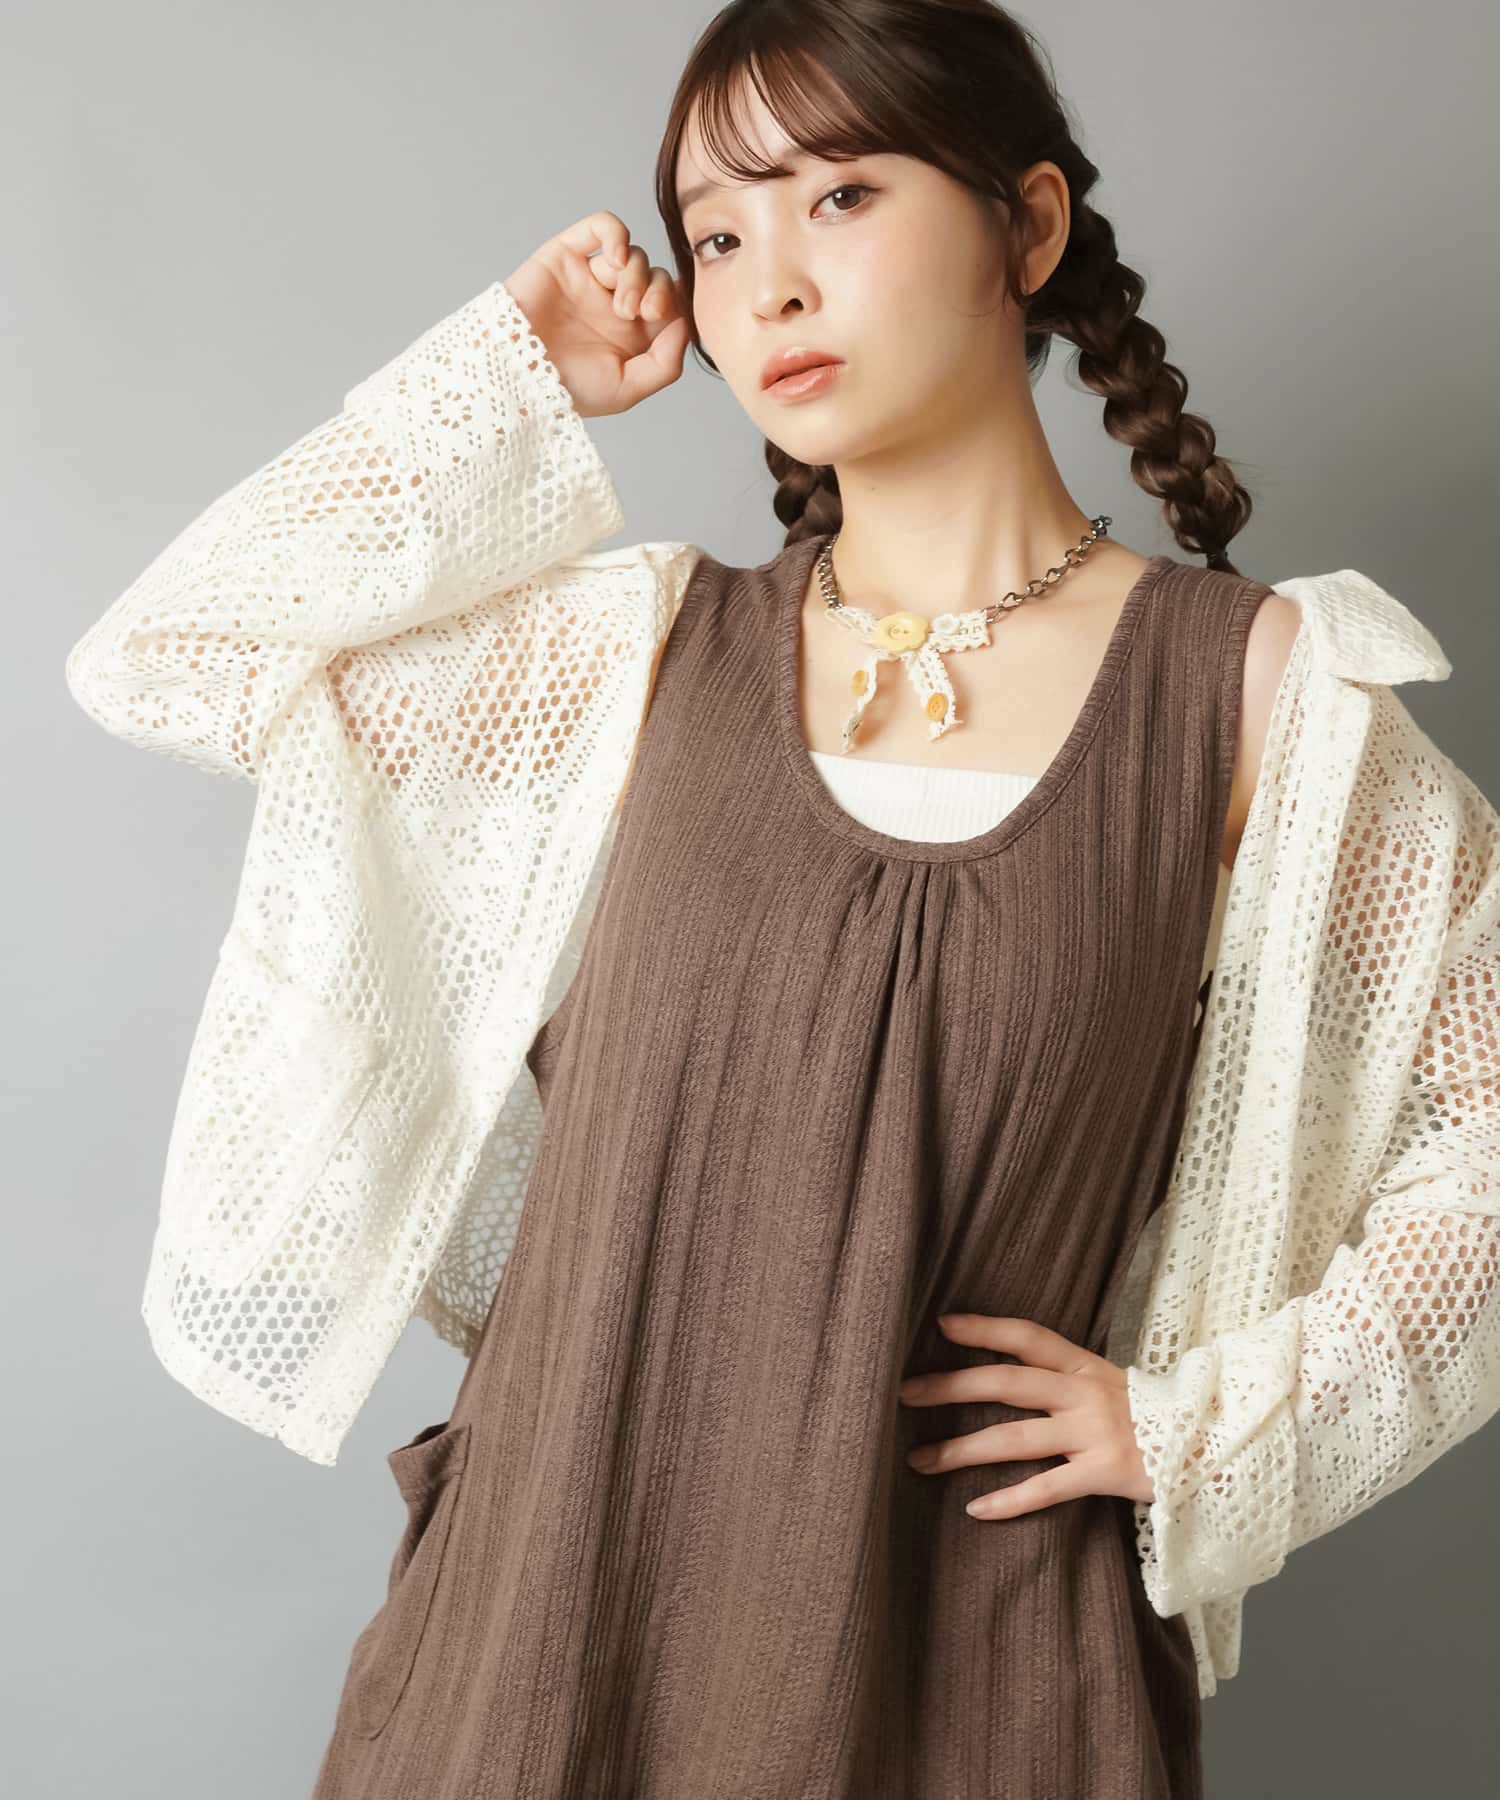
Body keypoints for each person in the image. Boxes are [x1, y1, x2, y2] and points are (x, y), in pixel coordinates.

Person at [60, 4, 1500, 1797]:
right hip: (536, 1655)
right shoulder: (637, 658)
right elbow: (170, 657)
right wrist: (508, 373)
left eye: (840, 196)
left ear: (1029, 227)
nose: (771, 285)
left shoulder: (1260, 698)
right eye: (719, 234)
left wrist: (1200, 1431)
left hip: (977, 1688)